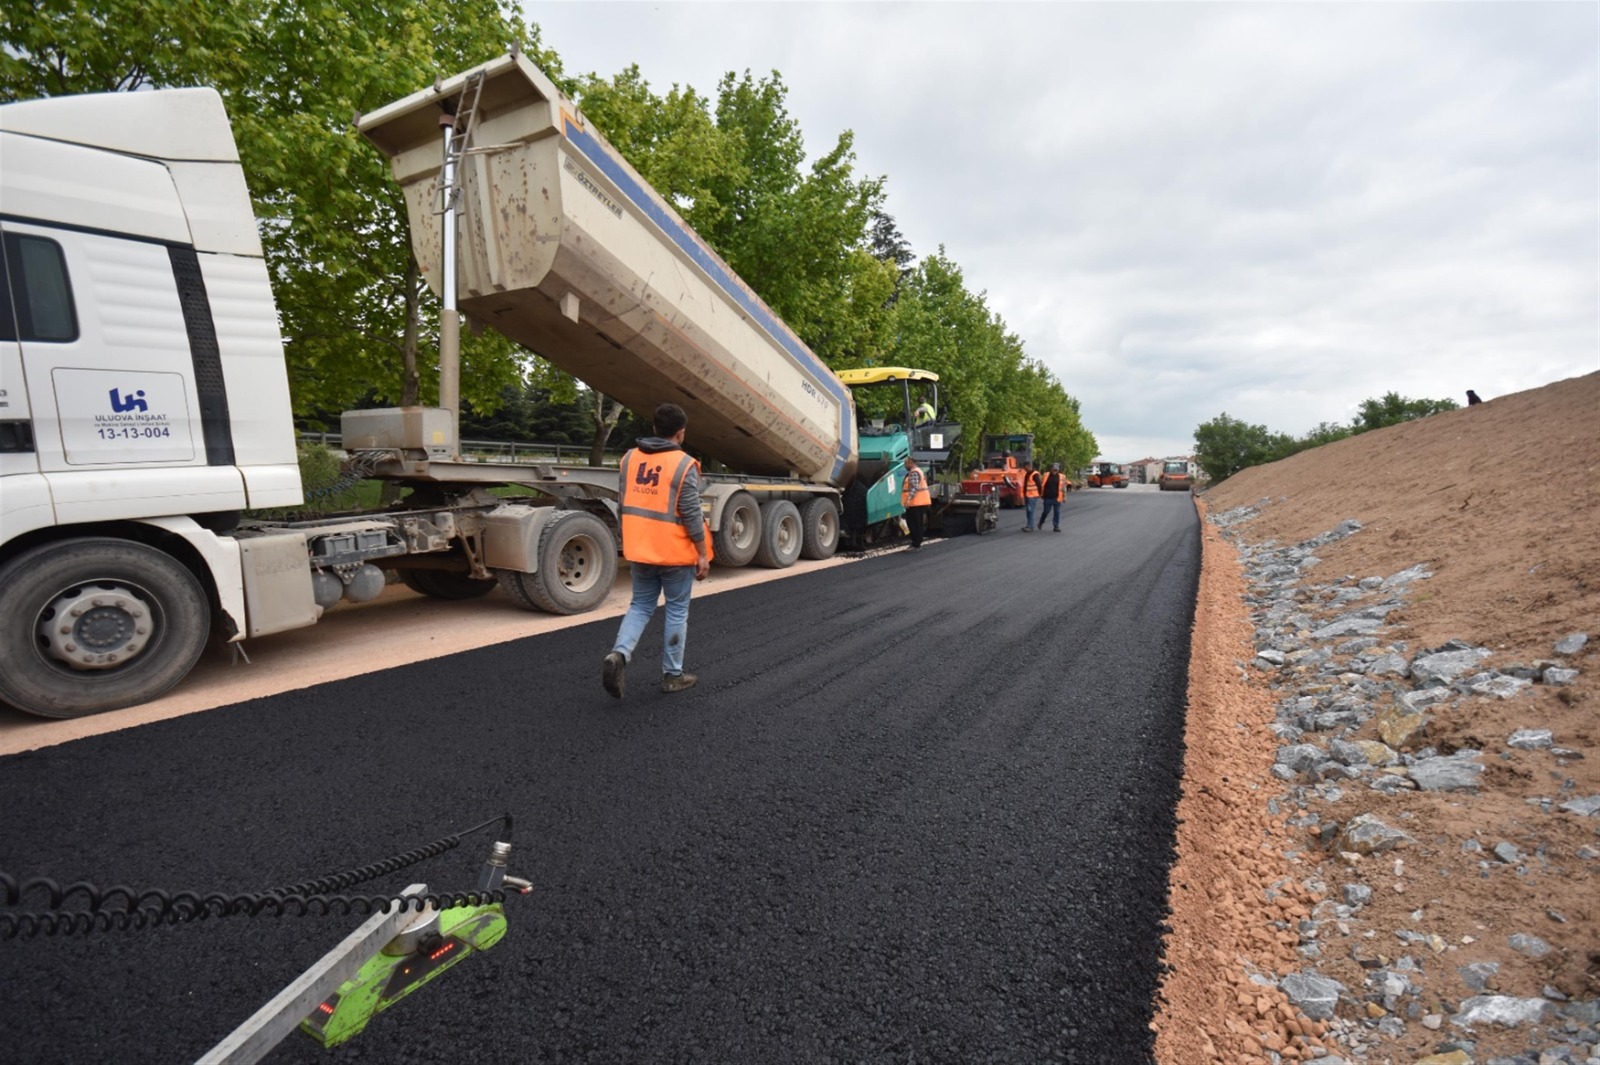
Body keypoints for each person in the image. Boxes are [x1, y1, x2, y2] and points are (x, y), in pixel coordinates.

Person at [602, 403, 712, 698]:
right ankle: (673, 675)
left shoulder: (629, 459)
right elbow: (690, 512)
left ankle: (620, 654)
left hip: (640, 548)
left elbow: (623, 503)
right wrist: (702, 553)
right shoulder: (684, 464)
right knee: (676, 609)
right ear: (681, 433)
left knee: (640, 605)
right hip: (674, 552)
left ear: (654, 429)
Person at [900, 454, 931, 550]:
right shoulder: (917, 471)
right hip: (918, 502)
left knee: (913, 523)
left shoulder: (914, 472)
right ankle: (917, 543)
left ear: (911, 463)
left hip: (915, 503)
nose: (905, 465)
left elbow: (914, 488)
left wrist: (908, 500)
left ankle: (915, 544)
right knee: (917, 523)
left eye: (906, 463)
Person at [1040, 462, 1066, 532]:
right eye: (1054, 469)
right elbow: (1042, 485)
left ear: (1058, 470)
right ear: (1051, 469)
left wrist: (1064, 497)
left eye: (1056, 470)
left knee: (1057, 512)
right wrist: (1041, 494)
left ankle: (1056, 526)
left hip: (1057, 498)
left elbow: (1063, 487)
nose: (1055, 471)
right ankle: (1041, 522)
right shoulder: (1046, 475)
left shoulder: (1062, 476)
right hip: (1047, 497)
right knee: (1046, 511)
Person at [1021, 461, 1042, 531]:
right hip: (1027, 495)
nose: (1024, 469)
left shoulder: (1035, 474)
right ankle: (1028, 525)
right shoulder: (1027, 474)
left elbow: (1039, 485)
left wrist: (1039, 494)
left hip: (1033, 496)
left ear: (1028, 466)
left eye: (1025, 467)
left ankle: (1030, 526)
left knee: (1030, 511)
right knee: (1028, 511)